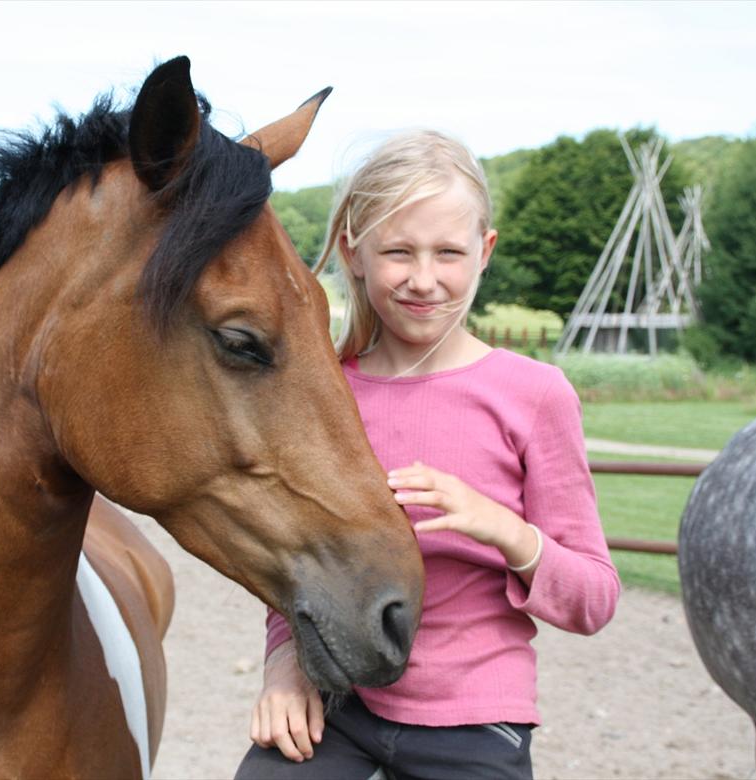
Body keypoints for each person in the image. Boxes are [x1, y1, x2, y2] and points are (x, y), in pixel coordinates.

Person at [234, 130, 621, 780]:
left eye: (448, 253)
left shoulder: (535, 395)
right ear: (355, 254)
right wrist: (283, 663)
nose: (423, 279)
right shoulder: (327, 391)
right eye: (398, 252)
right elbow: (297, 562)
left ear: (484, 251)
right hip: (338, 704)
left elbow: (594, 599)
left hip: (475, 721)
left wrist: (502, 528)